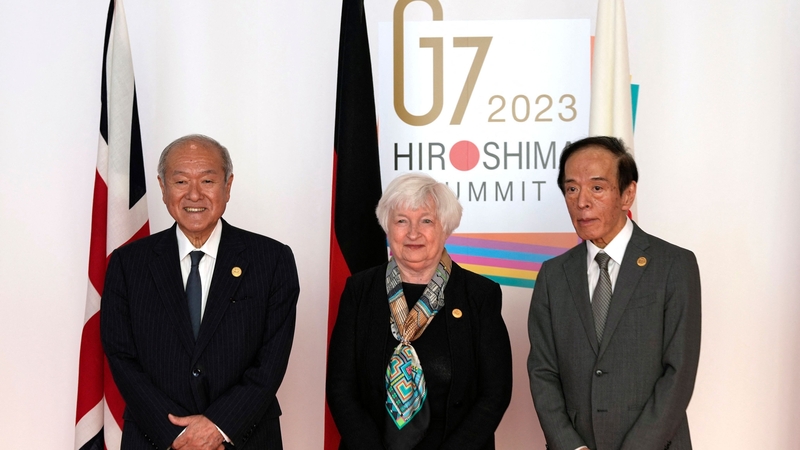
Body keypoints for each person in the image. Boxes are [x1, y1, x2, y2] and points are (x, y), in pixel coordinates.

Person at [101, 134, 300, 449]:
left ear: (228, 186)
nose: (194, 194)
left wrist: (219, 425)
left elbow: (271, 360)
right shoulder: (128, 265)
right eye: (180, 181)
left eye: (208, 180)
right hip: (154, 438)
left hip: (244, 437)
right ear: (163, 187)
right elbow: (121, 356)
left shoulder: (271, 260)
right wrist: (177, 434)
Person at [527, 136, 701, 450]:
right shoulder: (553, 275)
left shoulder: (674, 265)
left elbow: (679, 373)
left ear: (627, 194)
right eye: (571, 188)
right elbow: (543, 372)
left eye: (597, 187)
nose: (582, 202)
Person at [326, 173, 513, 450]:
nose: (413, 233)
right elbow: (340, 387)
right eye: (402, 220)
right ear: (387, 226)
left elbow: (495, 393)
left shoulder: (479, 295)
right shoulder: (359, 290)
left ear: (445, 227)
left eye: (426, 220)